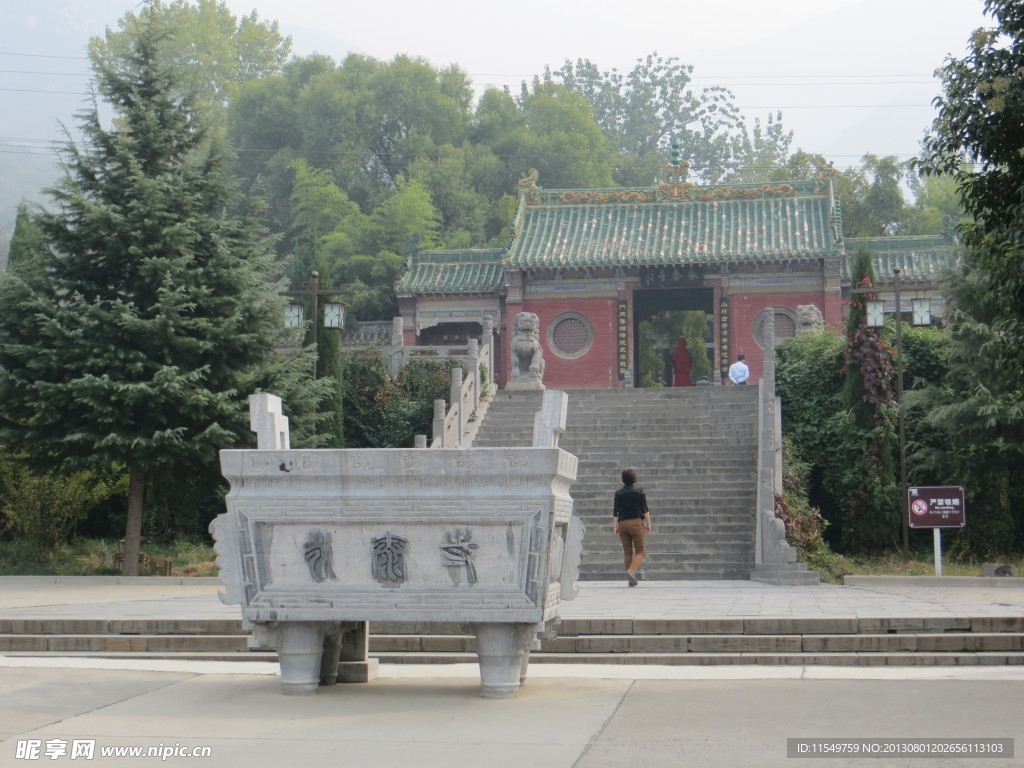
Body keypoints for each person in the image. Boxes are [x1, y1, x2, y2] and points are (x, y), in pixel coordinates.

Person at [613, 468, 651, 587]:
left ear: (623, 479)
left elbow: (616, 511)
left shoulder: (618, 493)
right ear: (634, 478)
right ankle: (631, 571)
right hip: (636, 523)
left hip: (623, 524)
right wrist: (649, 523)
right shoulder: (639, 491)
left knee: (627, 552)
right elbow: (645, 509)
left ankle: (631, 580)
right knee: (641, 551)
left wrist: (614, 526)